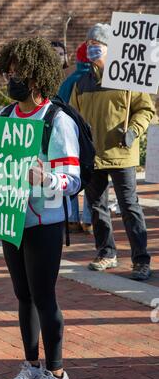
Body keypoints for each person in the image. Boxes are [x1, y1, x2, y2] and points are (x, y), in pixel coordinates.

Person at [0, 37, 81, 379]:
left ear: (35, 78)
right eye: (8, 71)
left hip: (45, 222)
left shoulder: (56, 121)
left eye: (18, 73)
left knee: (44, 296)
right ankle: (31, 365)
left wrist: (46, 178)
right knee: (23, 295)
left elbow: (73, 178)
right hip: (12, 219)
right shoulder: (2, 118)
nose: (11, 79)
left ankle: (57, 373)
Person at [70, 23, 155, 281]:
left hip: (121, 153)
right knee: (96, 207)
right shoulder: (82, 83)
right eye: (90, 44)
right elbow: (73, 117)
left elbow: (146, 109)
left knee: (130, 207)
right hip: (93, 156)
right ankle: (106, 252)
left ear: (111, 48)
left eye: (99, 44)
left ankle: (141, 260)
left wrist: (133, 131)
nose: (93, 48)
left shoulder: (128, 79)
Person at [57, 42, 92, 233]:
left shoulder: (69, 79)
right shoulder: (92, 80)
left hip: (69, 133)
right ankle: (87, 219)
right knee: (88, 175)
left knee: (70, 173)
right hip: (86, 134)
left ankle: (71, 217)